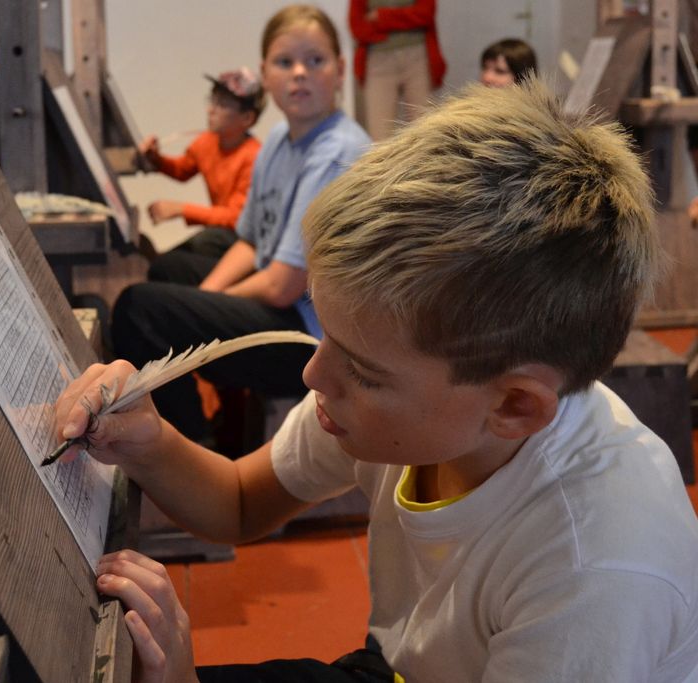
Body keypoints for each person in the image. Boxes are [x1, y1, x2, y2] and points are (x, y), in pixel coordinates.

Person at [55, 80, 698, 682]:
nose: (313, 373)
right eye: (328, 335)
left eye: (361, 368)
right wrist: (149, 443)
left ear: (513, 406)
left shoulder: (598, 570)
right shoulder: (407, 399)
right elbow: (242, 501)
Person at [113, 5, 372, 445]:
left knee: (139, 311)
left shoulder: (336, 152)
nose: (299, 73)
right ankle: (212, 424)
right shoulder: (278, 139)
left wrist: (201, 307)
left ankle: (192, 452)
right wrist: (203, 298)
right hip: (282, 300)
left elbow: (282, 286)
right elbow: (250, 240)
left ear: (340, 70)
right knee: (168, 271)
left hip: (315, 340)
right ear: (265, 74)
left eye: (315, 60)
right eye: (285, 62)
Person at [139, 67, 264, 262]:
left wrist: (181, 209)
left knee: (206, 241)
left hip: (245, 241)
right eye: (212, 100)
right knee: (185, 252)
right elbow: (182, 170)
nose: (211, 110)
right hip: (221, 233)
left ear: (247, 118)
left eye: (222, 104)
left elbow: (236, 218)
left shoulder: (254, 156)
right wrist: (155, 158)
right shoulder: (206, 141)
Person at [348, 0, 445, 141]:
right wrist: (407, 19)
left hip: (417, 58)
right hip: (378, 61)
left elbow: (425, 14)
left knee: (426, 131)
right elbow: (358, 27)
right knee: (380, 137)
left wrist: (381, 17)